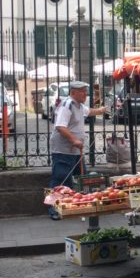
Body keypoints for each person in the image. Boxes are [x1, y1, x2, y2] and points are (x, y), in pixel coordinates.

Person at [48, 81, 107, 220]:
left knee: (79, 179)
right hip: (64, 150)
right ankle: (53, 209)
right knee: (60, 180)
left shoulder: (79, 106)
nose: (86, 94)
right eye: (82, 92)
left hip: (75, 150)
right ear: (73, 92)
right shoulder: (67, 105)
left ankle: (73, 206)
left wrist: (101, 110)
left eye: (86, 92)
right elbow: (60, 127)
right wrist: (74, 140)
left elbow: (89, 111)